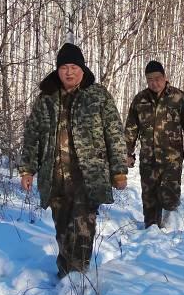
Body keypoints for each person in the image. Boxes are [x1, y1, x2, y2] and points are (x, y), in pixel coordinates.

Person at [19, 42, 128, 278]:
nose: (69, 72)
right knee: (62, 229)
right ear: (58, 70)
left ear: (82, 69)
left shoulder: (98, 96)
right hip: (55, 177)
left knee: (82, 229)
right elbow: (32, 136)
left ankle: (77, 278)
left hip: (88, 177)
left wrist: (119, 171)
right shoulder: (46, 98)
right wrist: (27, 169)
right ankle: (65, 272)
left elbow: (115, 134)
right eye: (64, 67)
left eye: (74, 67)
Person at [124, 60, 184, 229]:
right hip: (148, 159)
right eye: (150, 79)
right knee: (149, 197)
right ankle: (151, 231)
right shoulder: (140, 100)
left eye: (157, 78)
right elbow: (131, 129)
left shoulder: (178, 97)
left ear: (165, 77)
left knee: (170, 197)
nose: (154, 83)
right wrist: (128, 153)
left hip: (172, 159)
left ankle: (170, 229)